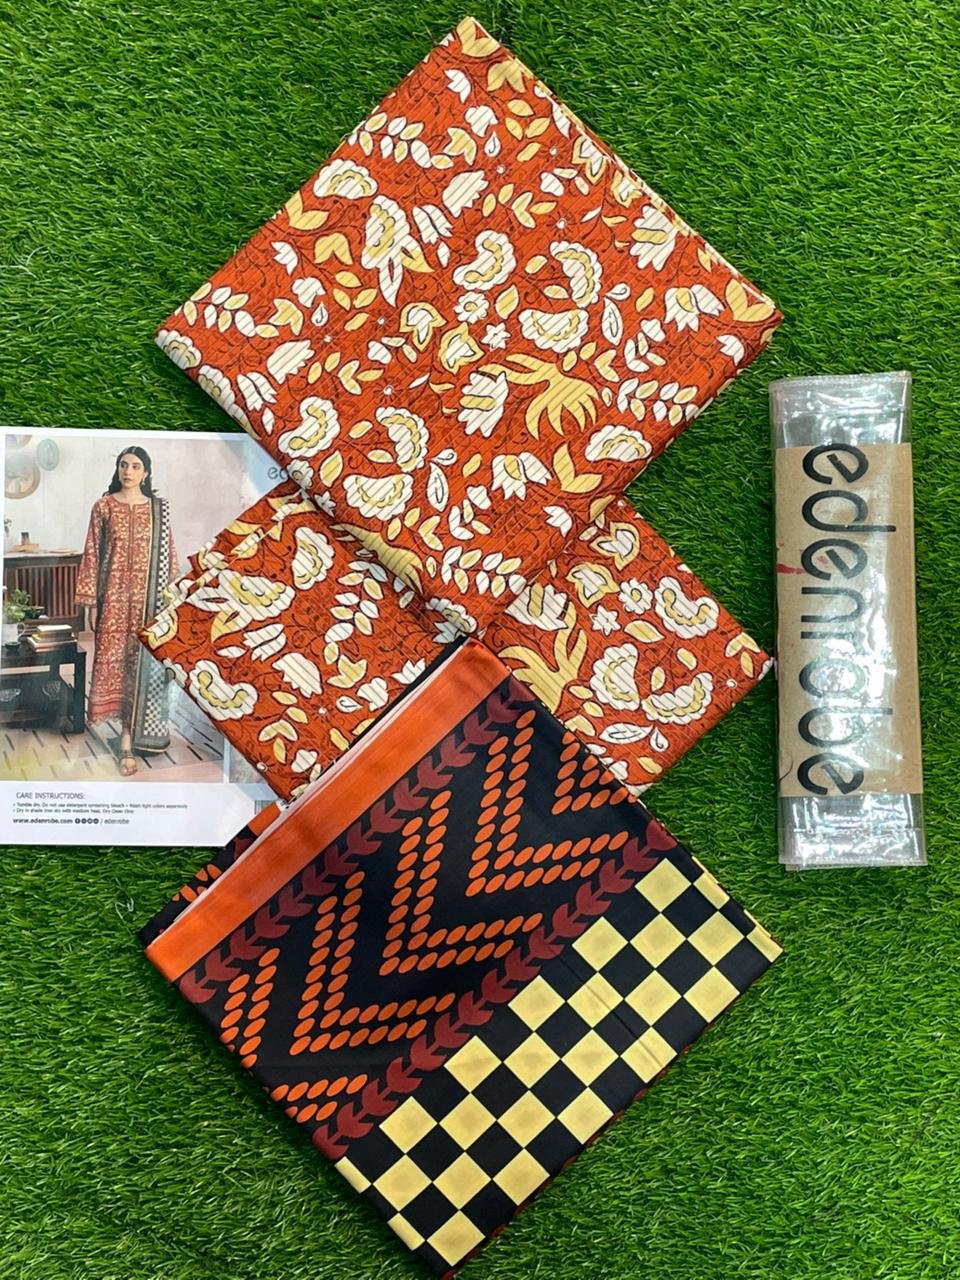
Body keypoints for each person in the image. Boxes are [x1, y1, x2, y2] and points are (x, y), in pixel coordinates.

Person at [74, 447, 177, 776]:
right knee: (116, 666)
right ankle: (125, 740)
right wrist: (90, 603)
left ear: (146, 472)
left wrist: (170, 603)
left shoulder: (158, 510)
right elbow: (92, 554)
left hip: (149, 604)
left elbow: (170, 557)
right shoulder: (103, 506)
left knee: (143, 667)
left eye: (135, 466)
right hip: (113, 601)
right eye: (123, 465)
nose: (128, 471)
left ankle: (132, 739)